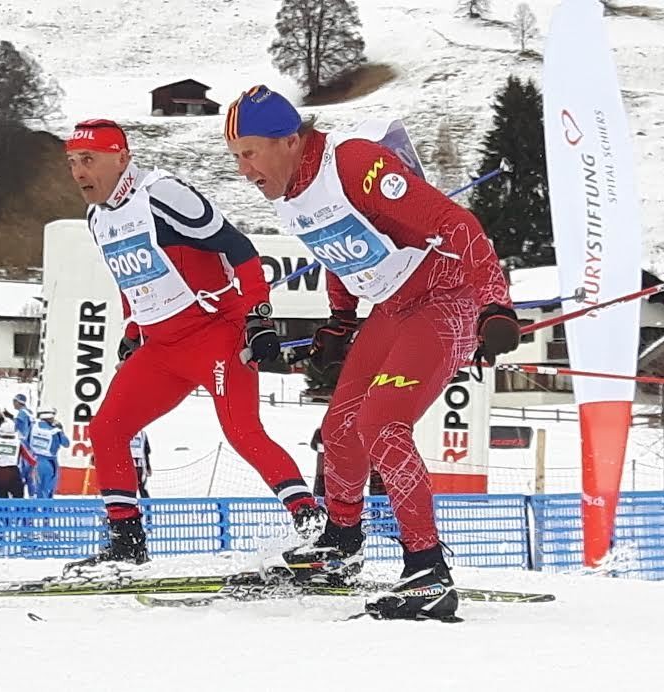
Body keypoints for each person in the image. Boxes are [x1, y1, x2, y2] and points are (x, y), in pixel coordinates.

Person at [224, 86, 519, 620]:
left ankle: (428, 572)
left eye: (249, 152)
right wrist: (339, 321)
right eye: (236, 157)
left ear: (290, 141)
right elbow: (340, 254)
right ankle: (341, 543)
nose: (244, 169)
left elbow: (459, 224)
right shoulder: (291, 197)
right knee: (340, 428)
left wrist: (495, 304)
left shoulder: (354, 164)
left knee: (382, 425)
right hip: (392, 304)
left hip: (445, 297)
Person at [61, 118, 324, 574]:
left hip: (215, 335)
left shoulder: (162, 195)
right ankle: (127, 543)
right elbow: (130, 279)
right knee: (107, 429)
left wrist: (258, 318)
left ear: (122, 159)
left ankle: (314, 526)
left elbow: (240, 249)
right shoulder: (96, 217)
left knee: (242, 432)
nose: (80, 172)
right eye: (72, 163)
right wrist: (131, 332)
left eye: (90, 160)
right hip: (162, 348)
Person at [28, 406, 70, 498]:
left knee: (37, 489)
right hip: (50, 462)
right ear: (51, 417)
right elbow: (66, 444)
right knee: (48, 490)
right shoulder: (55, 431)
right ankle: (47, 510)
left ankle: (36, 509)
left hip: (34, 460)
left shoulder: (33, 426)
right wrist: (61, 431)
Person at [13, 393, 36, 496]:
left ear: (18, 402)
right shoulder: (29, 412)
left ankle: (20, 499)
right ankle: (32, 496)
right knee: (30, 475)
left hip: (24, 446)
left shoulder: (21, 414)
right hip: (32, 447)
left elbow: (16, 428)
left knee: (21, 474)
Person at [129, 429, 152, 498]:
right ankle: (147, 506)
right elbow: (146, 451)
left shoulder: (142, 434)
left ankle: (147, 507)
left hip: (136, 465)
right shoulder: (142, 434)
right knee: (141, 488)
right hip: (135, 465)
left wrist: (148, 467)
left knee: (135, 488)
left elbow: (146, 451)